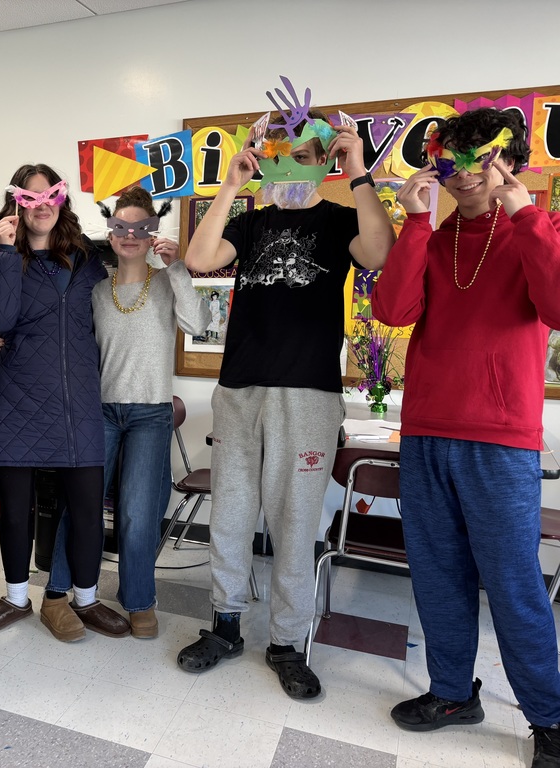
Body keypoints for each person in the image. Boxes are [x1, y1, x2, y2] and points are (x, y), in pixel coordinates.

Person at [177, 92, 395, 698]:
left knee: (297, 522)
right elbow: (199, 258)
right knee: (231, 514)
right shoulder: (249, 222)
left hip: (309, 395)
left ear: (322, 159)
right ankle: (224, 626)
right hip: (240, 389)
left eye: (305, 154)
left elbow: (381, 253)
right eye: (281, 154)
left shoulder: (337, 219)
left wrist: (358, 175)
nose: (291, 163)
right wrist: (231, 185)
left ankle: (287, 641)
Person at [371, 107, 560, 766]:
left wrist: (525, 209)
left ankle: (551, 720)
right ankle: (453, 693)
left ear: (507, 158)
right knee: (437, 576)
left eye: (478, 159)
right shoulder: (435, 232)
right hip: (426, 431)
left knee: (512, 585)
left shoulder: (542, 228)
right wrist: (415, 219)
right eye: (448, 161)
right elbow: (392, 312)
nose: (463, 175)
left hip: (501, 441)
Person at [0, 163, 129, 642]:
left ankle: (86, 598)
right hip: (14, 397)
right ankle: (16, 597)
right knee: (15, 511)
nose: (41, 206)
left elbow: (113, 315)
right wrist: (3, 251)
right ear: (16, 203)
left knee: (85, 506)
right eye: (30, 198)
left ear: (61, 201)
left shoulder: (86, 259)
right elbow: (1, 319)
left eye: (50, 197)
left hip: (77, 399)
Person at [43, 186, 210, 638]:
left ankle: (138, 599)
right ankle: (59, 592)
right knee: (81, 507)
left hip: (150, 413)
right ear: (111, 232)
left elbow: (198, 325)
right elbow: (69, 342)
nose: (130, 235)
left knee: (138, 511)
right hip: (98, 410)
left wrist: (177, 267)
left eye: (141, 227)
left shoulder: (167, 281)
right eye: (121, 227)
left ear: (153, 230)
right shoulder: (97, 288)